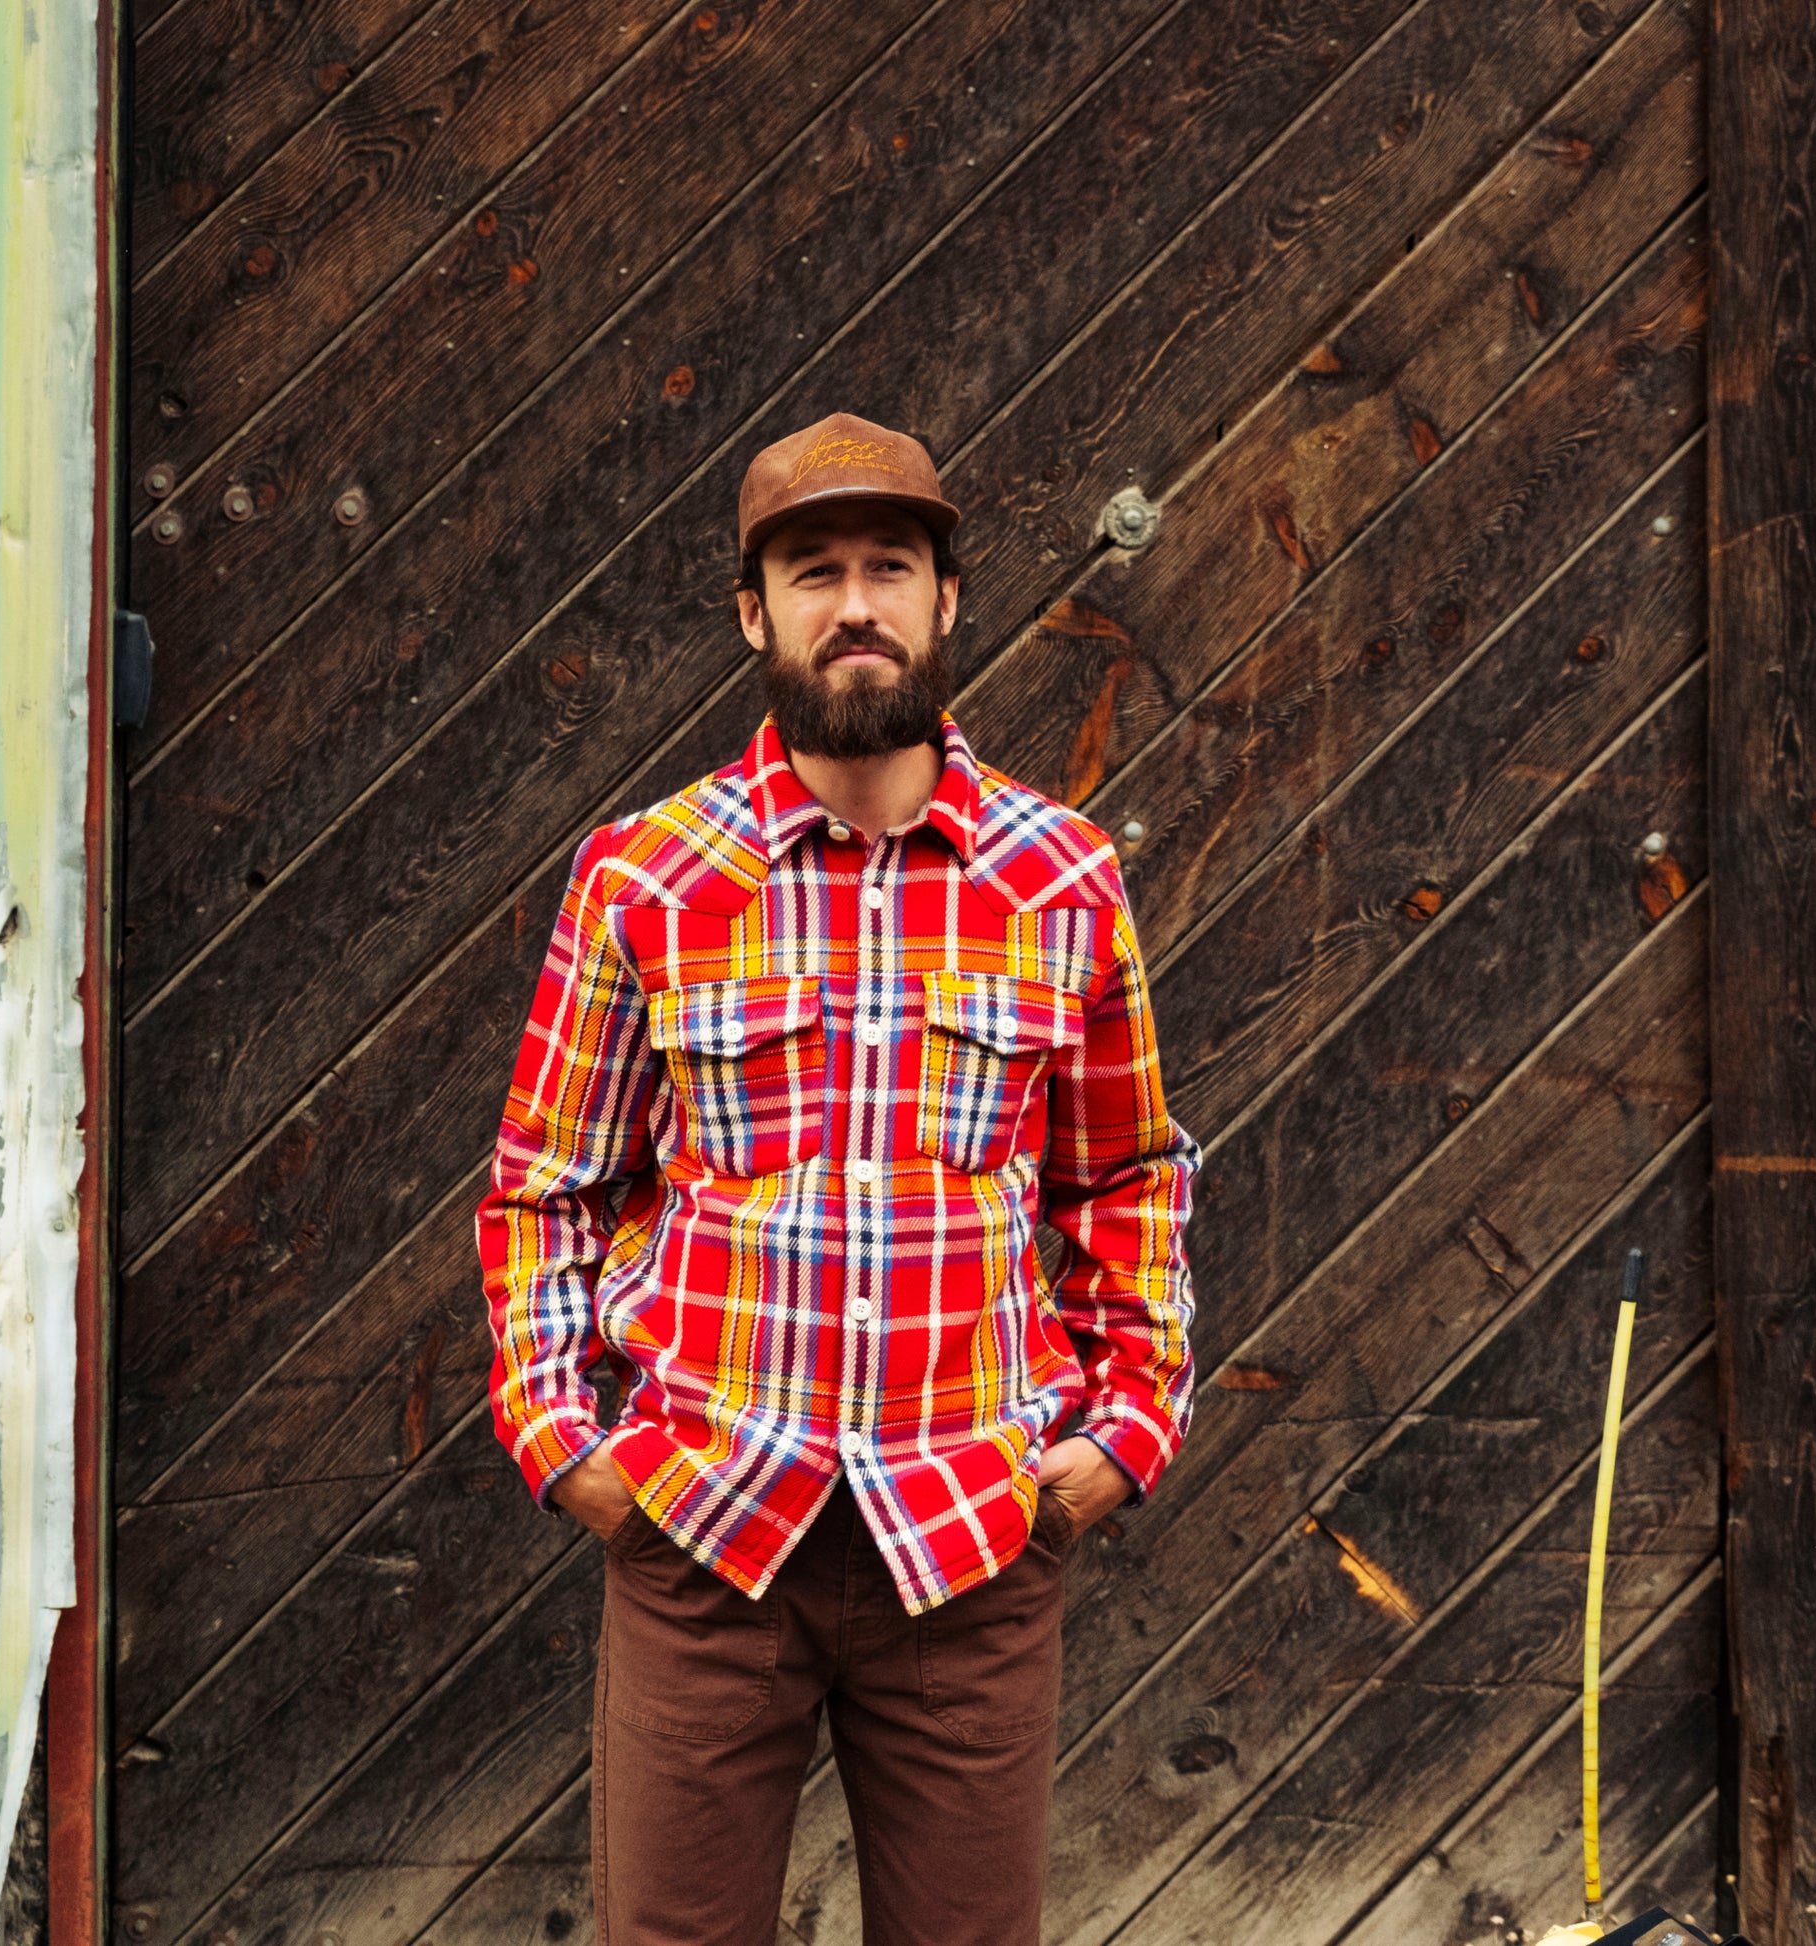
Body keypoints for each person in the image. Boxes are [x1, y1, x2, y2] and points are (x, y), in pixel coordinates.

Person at [476, 410, 1200, 1945]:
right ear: (754, 615)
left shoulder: (1060, 877)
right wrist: (568, 1443)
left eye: (889, 566)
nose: (855, 604)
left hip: (971, 1534)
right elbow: (546, 1184)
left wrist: (1117, 1435)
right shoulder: (644, 876)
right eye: (813, 571)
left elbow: (1124, 1176)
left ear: (947, 601)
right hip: (704, 1529)